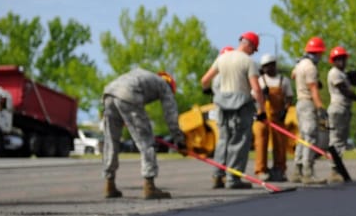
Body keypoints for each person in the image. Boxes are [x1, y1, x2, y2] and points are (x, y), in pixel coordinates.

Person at [101, 69, 185, 199]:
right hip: (128, 94)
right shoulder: (164, 86)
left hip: (109, 93)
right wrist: (179, 140)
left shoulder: (146, 76)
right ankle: (149, 187)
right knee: (146, 142)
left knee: (111, 141)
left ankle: (109, 184)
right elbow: (171, 115)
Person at [201, 32, 266, 189]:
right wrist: (262, 111)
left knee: (223, 140)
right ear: (250, 45)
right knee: (239, 141)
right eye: (254, 49)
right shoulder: (248, 62)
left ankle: (218, 175)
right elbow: (257, 89)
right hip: (241, 106)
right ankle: (233, 178)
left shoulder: (222, 58)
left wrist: (208, 90)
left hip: (222, 106)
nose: (253, 53)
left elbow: (205, 80)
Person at [290, 36, 327, 185]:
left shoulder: (300, 64)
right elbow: (313, 89)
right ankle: (308, 172)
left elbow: (293, 75)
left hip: (300, 103)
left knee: (303, 137)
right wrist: (320, 107)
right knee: (310, 137)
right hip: (308, 103)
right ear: (317, 53)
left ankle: (297, 170)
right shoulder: (310, 67)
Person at [253, 53, 294, 182]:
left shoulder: (283, 80)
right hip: (263, 117)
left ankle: (280, 169)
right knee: (261, 143)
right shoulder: (260, 81)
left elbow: (289, 97)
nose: (268, 69)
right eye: (265, 67)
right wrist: (262, 94)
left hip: (278, 117)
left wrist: (285, 110)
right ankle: (261, 170)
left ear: (274, 65)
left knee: (280, 144)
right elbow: (253, 96)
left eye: (270, 66)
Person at [326, 46, 356, 182]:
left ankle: (337, 168)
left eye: (343, 58)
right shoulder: (335, 73)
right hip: (338, 109)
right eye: (338, 59)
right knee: (337, 140)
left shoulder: (342, 74)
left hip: (344, 109)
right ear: (333, 61)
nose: (341, 61)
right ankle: (334, 169)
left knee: (341, 140)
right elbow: (345, 91)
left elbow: (355, 84)